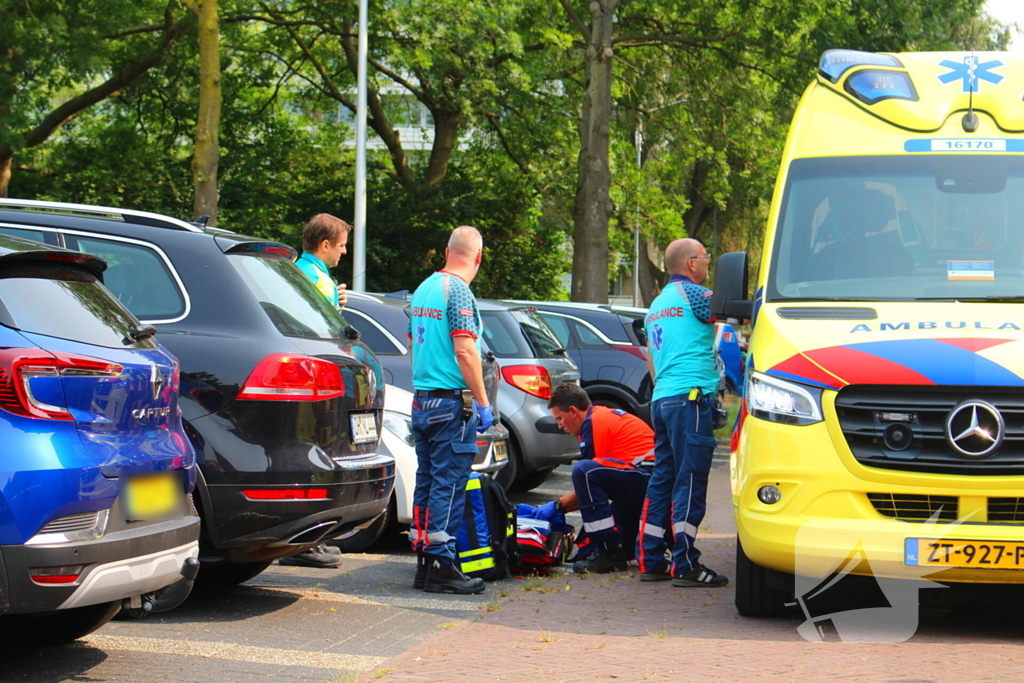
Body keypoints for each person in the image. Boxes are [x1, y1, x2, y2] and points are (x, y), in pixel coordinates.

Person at [637, 238, 729, 587]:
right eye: (706, 257)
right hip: (689, 400)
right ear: (691, 263)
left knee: (663, 477)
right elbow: (740, 310)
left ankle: (649, 558)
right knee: (690, 478)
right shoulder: (697, 297)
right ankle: (686, 564)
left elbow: (651, 360)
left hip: (662, 399)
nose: (708, 264)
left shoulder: (656, 305)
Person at [407, 226, 494, 594]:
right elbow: (464, 350)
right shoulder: (458, 291)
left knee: (426, 480)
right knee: (450, 482)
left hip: (423, 399)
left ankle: (425, 563)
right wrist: (484, 402)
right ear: (478, 257)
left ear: (446, 252)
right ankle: (443, 563)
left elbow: (414, 343)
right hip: (450, 402)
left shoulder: (424, 288)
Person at [279, 213, 353, 569]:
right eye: (340, 246)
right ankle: (308, 542)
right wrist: (337, 309)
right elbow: (329, 333)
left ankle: (305, 540)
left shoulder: (297, 270)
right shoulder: (318, 280)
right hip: (316, 382)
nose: (342, 254)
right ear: (324, 245)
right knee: (316, 463)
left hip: (300, 378)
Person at [543, 383, 655, 574]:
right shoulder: (601, 417)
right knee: (586, 551)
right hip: (644, 479)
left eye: (560, 419)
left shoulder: (594, 423)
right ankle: (612, 553)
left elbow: (586, 486)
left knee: (584, 470)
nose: (560, 425)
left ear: (573, 411)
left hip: (648, 477)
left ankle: (609, 552)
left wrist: (556, 507)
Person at [294, 213, 350, 310]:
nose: (344, 251)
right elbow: (326, 324)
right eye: (341, 245)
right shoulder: (321, 282)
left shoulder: (293, 268)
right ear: (325, 245)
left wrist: (337, 302)